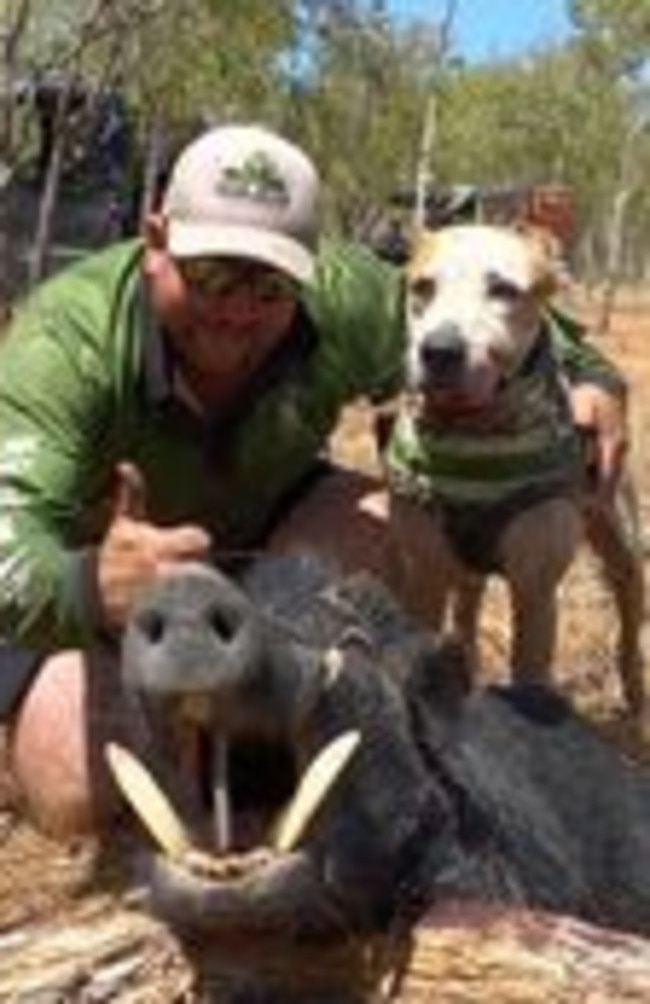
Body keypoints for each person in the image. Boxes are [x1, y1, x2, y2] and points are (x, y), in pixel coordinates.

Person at [0, 123, 628, 839]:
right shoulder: (64, 345)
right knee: (78, 787)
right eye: (211, 275)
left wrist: (594, 377)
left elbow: (486, 304)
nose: (237, 309)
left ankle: (289, 715)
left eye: (269, 284)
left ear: (306, 270)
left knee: (393, 527)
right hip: (91, 592)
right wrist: (90, 586)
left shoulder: (346, 297)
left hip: (271, 533)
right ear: (155, 241)